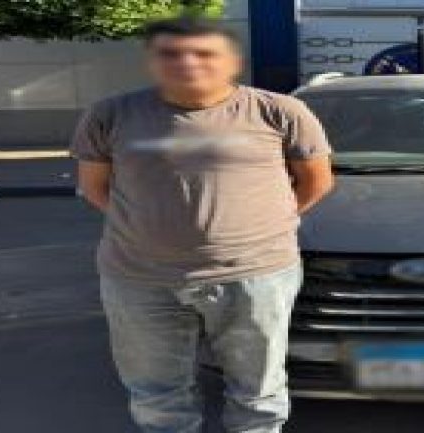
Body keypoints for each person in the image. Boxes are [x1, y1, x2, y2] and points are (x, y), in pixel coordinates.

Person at [70, 16, 334, 433]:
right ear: (152, 61)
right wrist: (149, 227)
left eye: (203, 53)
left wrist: (262, 225)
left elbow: (316, 181)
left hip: (255, 274)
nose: (187, 62)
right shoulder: (110, 114)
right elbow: (94, 188)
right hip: (140, 278)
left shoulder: (280, 111)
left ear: (233, 62)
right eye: (171, 54)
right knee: (157, 391)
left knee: (258, 390)